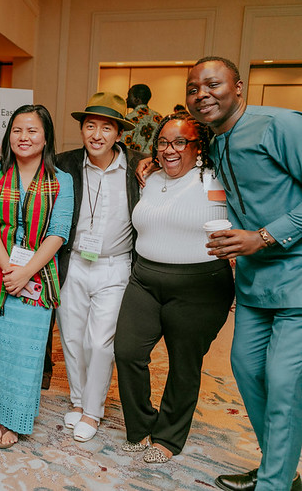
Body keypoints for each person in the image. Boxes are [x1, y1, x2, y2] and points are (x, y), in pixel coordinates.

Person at [183, 57, 302, 491]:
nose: (202, 94)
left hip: (297, 278)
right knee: (248, 371)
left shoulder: (280, 125)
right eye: (193, 88)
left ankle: (274, 484)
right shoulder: (213, 140)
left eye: (212, 84)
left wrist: (264, 237)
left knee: (285, 384)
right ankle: (282, 469)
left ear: (238, 86)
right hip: (254, 284)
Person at [114, 112, 234, 464]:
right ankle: (140, 426)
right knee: (127, 351)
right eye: (163, 142)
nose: (170, 149)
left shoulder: (218, 176)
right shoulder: (148, 177)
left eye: (180, 141)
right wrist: (151, 162)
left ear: (198, 146)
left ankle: (168, 436)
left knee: (184, 363)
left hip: (199, 285)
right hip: (145, 278)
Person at [0, 104, 72, 449]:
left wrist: (25, 272)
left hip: (37, 274)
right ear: (8, 135)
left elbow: (58, 234)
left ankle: (13, 418)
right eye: (17, 130)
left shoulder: (62, 181)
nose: (24, 137)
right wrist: (7, 268)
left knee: (24, 351)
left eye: (32, 131)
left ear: (46, 138)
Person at [55, 92, 143, 442]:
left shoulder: (139, 166)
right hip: (73, 262)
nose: (97, 134)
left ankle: (93, 411)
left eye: (106, 128)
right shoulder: (65, 164)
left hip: (115, 267)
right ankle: (78, 402)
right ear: (81, 129)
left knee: (100, 343)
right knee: (72, 338)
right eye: (90, 126)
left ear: (119, 134)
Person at [122, 84, 162, 153]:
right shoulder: (158, 117)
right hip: (151, 162)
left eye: (129, 96)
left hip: (133, 161)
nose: (126, 99)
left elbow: (124, 146)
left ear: (137, 99)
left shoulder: (130, 118)